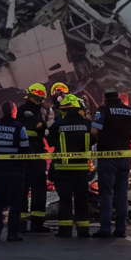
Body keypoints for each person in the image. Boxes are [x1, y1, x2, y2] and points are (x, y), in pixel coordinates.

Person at [92, 90, 131, 238]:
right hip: (125, 156)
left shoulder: (103, 110)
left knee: (106, 193)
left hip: (108, 156)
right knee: (122, 193)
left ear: (105, 99)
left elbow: (94, 130)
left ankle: (105, 229)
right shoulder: (129, 111)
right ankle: (121, 229)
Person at [49, 94, 95, 238]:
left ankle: (65, 231)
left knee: (65, 200)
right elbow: (93, 140)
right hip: (81, 170)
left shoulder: (58, 125)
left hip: (62, 170)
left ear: (64, 110)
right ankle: (83, 231)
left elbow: (50, 142)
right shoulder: (88, 125)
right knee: (82, 200)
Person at [0, 101, 32, 242]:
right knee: (15, 202)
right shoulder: (19, 127)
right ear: (13, 111)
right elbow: (25, 149)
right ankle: (12, 233)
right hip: (15, 170)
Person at [18, 83, 52, 232]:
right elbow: (38, 129)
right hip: (35, 154)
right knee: (38, 188)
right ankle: (36, 224)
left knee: (23, 189)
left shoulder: (20, 110)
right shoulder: (34, 112)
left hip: (23, 156)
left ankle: (21, 223)